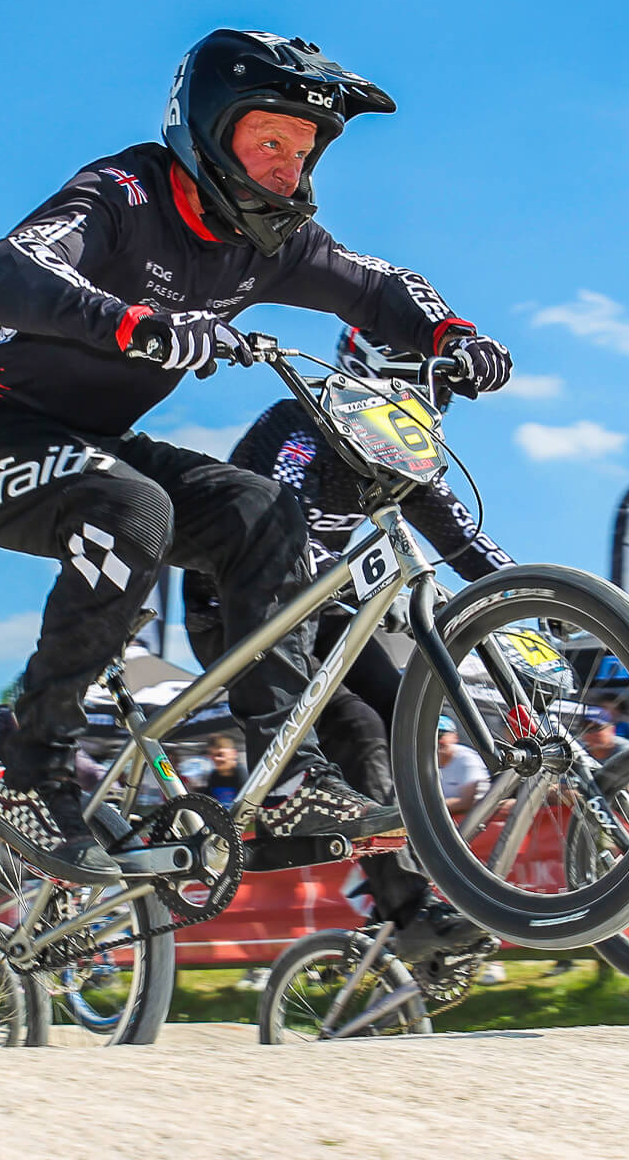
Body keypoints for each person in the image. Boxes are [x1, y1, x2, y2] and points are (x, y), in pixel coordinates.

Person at [0, 30, 513, 878]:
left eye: (303, 153)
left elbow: (378, 287)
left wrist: (453, 334)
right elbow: (4, 271)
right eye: (270, 141)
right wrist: (134, 323)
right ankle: (32, 767)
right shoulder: (125, 192)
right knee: (132, 508)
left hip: (96, 446)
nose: (288, 170)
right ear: (206, 127)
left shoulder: (274, 243)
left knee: (264, 508)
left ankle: (286, 778)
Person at [180, 326, 512, 962]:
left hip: (320, 605)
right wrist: (326, 556)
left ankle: (399, 885)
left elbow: (462, 540)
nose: (432, 406)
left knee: (400, 709)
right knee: (358, 726)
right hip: (236, 608)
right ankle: (408, 912)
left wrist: (546, 598)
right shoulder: (301, 422)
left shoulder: (400, 454)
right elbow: (288, 500)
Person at [438, 717, 491, 815]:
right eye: (433, 737)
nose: (437, 742)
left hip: (476, 818)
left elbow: (466, 802)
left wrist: (430, 807)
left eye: (440, 735)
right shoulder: (427, 760)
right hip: (445, 816)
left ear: (454, 737)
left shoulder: (467, 759)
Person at [196, 734, 248, 807]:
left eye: (220, 755)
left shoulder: (242, 776)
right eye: (213, 755)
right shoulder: (213, 776)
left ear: (233, 753)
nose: (217, 759)